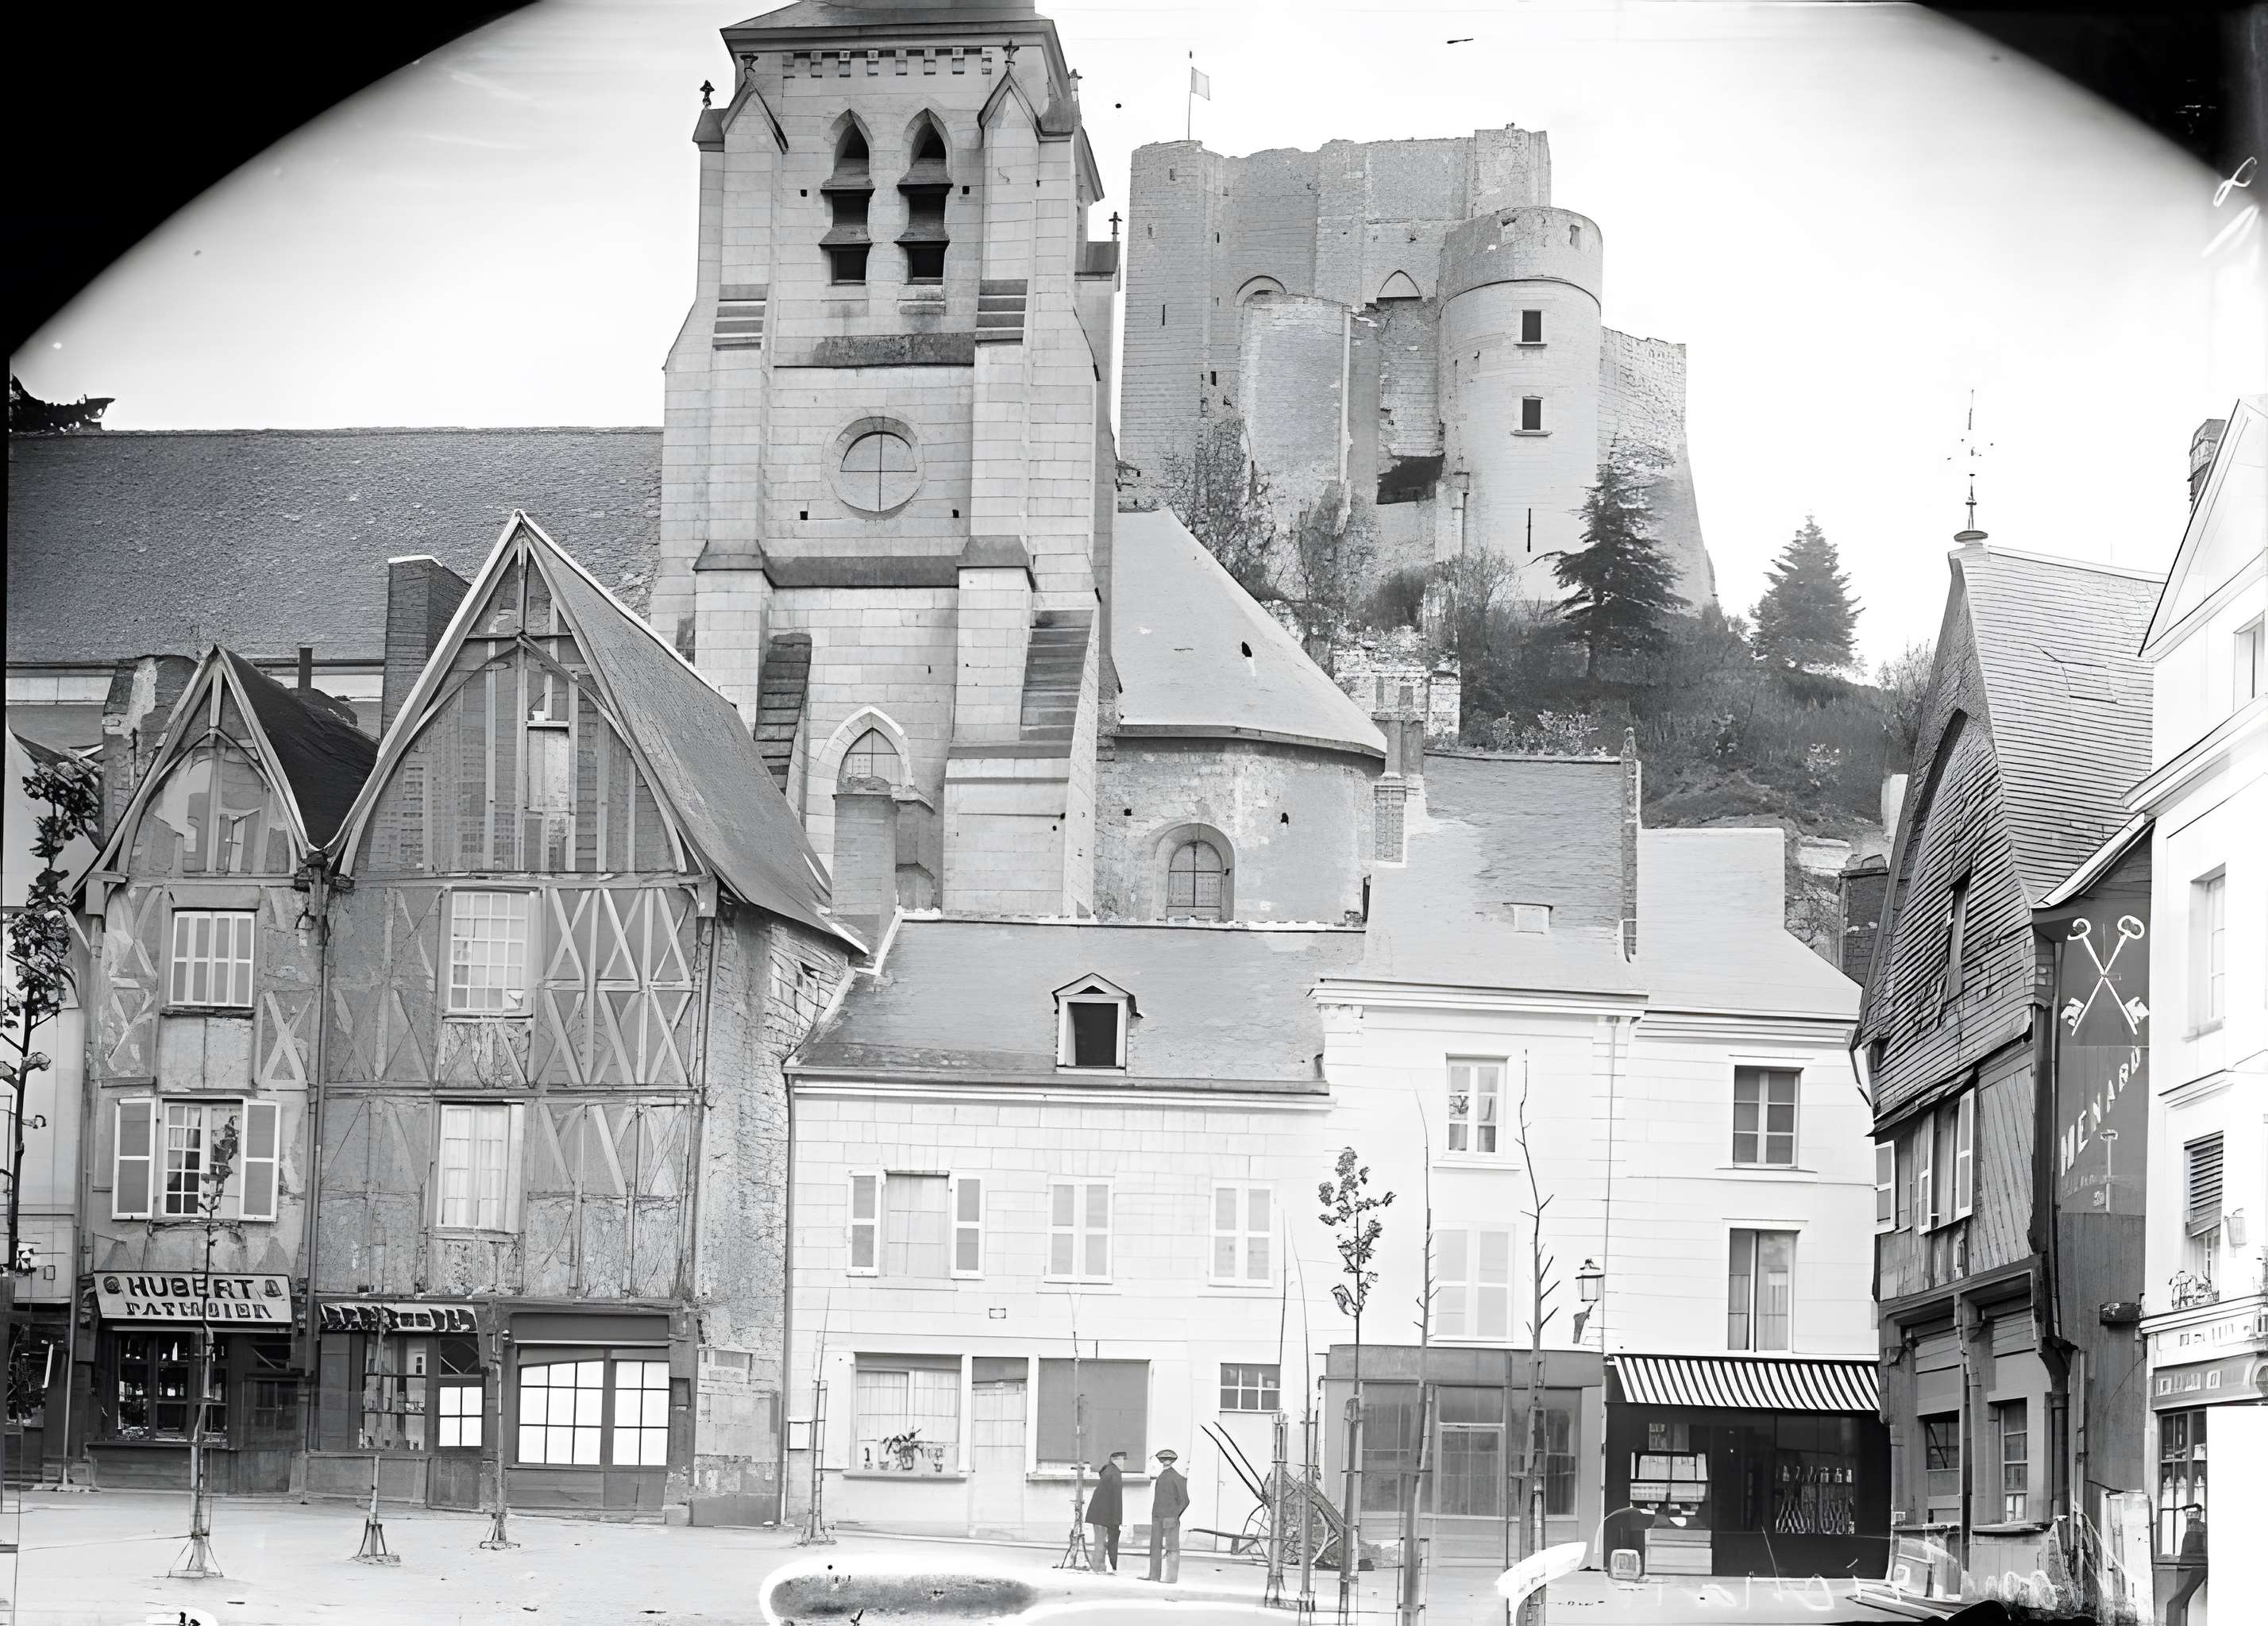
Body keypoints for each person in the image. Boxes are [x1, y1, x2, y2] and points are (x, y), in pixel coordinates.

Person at [1148, 1448, 1189, 1584]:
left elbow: (1185, 1500)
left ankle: (1170, 1578)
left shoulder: (1177, 1477)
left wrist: (1175, 1514)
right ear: (1161, 1461)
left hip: (1168, 1517)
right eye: (1163, 1459)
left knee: (1171, 1548)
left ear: (1172, 1461)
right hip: (1159, 1517)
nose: (1166, 1461)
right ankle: (1154, 1576)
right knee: (1156, 1547)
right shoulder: (1164, 1476)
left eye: (1168, 1459)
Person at [1083, 1449, 1127, 1571]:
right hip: (1104, 1516)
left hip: (1099, 1514)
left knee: (1100, 1541)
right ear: (1115, 1461)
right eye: (1122, 1461)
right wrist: (1117, 1520)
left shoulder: (1108, 1472)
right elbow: (1116, 1500)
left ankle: (1098, 1566)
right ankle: (1098, 1567)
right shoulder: (1115, 1474)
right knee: (1101, 1542)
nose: (1123, 1464)